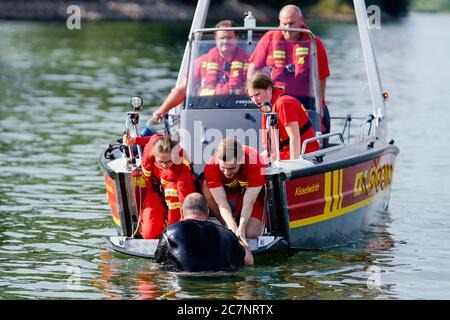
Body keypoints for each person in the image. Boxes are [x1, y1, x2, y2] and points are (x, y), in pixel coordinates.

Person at [247, 4, 331, 134]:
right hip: (273, 99)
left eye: (292, 23)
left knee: (302, 133)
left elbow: (322, 77)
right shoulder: (269, 38)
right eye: (284, 24)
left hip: (303, 100)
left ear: (301, 22)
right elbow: (253, 70)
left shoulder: (314, 43)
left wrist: (319, 103)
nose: (288, 29)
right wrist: (255, 95)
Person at [152, 20, 249, 122]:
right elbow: (183, 89)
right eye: (222, 38)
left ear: (236, 39)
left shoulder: (249, 63)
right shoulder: (201, 62)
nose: (225, 41)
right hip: (205, 113)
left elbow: (259, 89)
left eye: (229, 38)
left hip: (240, 115)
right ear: (215, 39)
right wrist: (162, 110)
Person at [155, 193, 254, 272]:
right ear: (207, 212)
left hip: (185, 282)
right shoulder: (227, 234)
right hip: (219, 281)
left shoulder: (170, 232)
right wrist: (242, 238)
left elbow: (158, 263)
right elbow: (249, 261)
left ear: (182, 212)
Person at [123, 133, 196, 239]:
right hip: (154, 191)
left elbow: (184, 199)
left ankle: (172, 228)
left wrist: (186, 225)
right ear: (154, 155)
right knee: (149, 234)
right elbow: (152, 139)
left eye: (168, 161)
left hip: (174, 196)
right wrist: (134, 140)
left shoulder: (182, 168)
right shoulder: (153, 147)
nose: (164, 165)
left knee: (174, 234)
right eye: (161, 162)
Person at [202, 138, 266, 241]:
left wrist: (241, 228)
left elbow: (249, 202)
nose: (227, 172)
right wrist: (231, 227)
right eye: (223, 167)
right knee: (206, 187)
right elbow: (222, 203)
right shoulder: (211, 167)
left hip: (253, 195)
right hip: (232, 190)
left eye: (231, 168)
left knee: (251, 233)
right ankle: (225, 223)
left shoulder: (256, 163)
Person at [247, 73, 320, 160]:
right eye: (251, 96)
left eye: (257, 94)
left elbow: (294, 138)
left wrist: (294, 168)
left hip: (303, 155)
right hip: (283, 152)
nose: (254, 100)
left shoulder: (284, 104)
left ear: (269, 89)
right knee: (249, 160)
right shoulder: (267, 105)